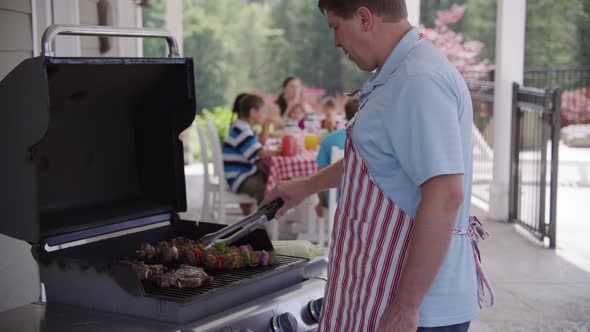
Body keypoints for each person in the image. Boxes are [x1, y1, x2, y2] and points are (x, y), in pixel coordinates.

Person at [261, 1, 494, 331]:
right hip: (384, 291)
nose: (336, 42)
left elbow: (445, 196)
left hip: (421, 309)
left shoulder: (418, 80)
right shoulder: (398, 73)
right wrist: (306, 186)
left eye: (335, 28)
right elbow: (377, 159)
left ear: (364, 17)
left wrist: (406, 307)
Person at [223, 94, 278, 215]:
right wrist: (281, 151)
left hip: (243, 173)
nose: (265, 115)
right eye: (263, 111)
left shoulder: (242, 127)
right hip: (240, 177)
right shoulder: (242, 130)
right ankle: (259, 223)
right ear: (253, 112)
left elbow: (256, 149)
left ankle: (260, 217)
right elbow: (261, 153)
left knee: (272, 180)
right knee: (269, 190)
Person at [314, 98, 359, 217]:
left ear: (346, 114)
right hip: (363, 199)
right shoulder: (373, 141)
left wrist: (320, 202)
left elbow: (320, 173)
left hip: (335, 200)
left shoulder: (329, 139)